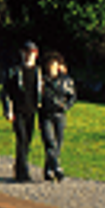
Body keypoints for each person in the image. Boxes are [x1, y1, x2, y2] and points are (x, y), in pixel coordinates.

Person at [0, 40, 42, 181]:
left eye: (32, 53)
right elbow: (5, 92)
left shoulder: (38, 73)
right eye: (27, 52)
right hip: (18, 110)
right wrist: (8, 110)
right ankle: (23, 172)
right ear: (22, 53)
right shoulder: (14, 72)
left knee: (27, 141)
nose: (29, 56)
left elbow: (42, 93)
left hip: (32, 111)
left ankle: (19, 169)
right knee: (22, 139)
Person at [39, 51, 77, 182]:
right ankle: (57, 168)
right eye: (50, 65)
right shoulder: (42, 81)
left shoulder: (66, 81)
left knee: (58, 144)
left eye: (54, 65)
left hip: (59, 115)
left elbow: (72, 96)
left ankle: (48, 169)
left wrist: (65, 106)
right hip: (45, 115)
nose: (52, 68)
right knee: (50, 142)